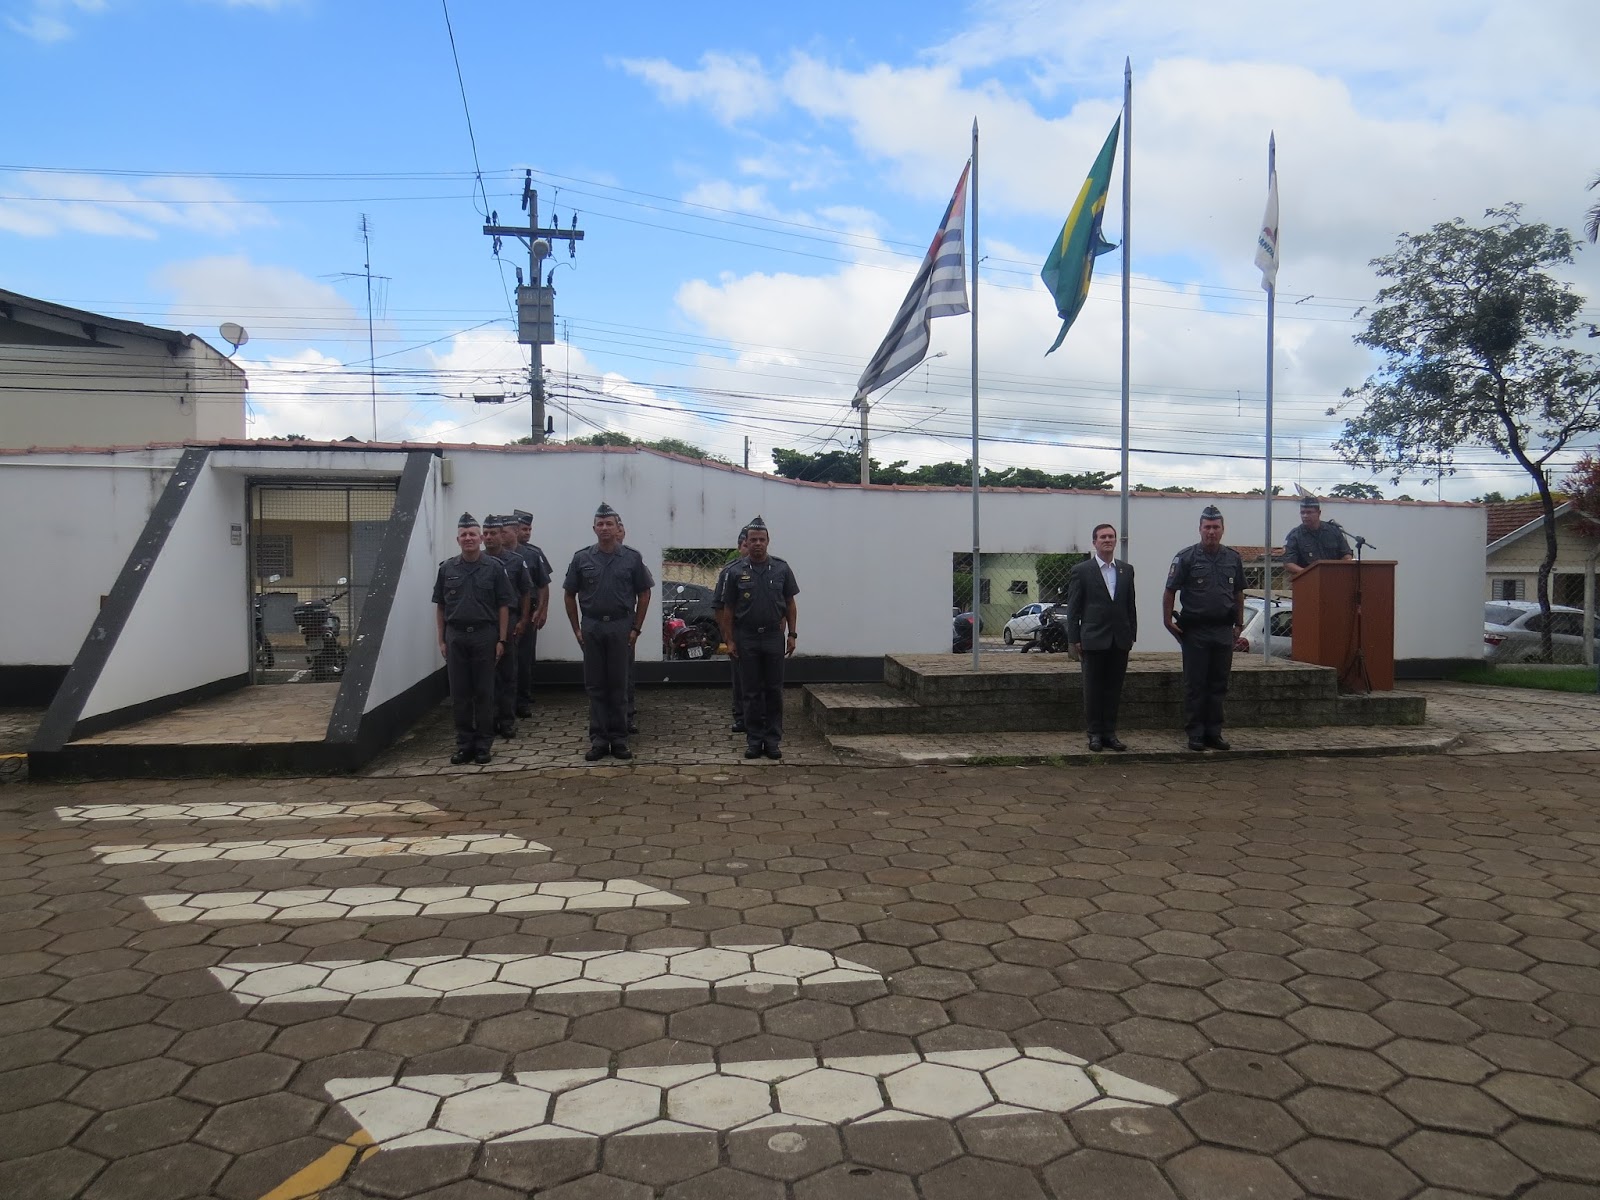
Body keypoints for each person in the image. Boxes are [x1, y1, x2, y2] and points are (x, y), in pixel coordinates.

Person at [563, 503, 653, 761]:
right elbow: (569, 594)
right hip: (592, 626)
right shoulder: (582, 558)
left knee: (618, 685)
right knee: (596, 686)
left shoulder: (631, 558)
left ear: (617, 528)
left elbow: (644, 593)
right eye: (600, 524)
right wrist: (577, 629)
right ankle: (599, 739)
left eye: (609, 524)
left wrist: (636, 628)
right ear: (594, 528)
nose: (604, 528)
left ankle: (619, 738)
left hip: (620, 626)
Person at [432, 513, 515, 765]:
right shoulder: (447, 569)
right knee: (459, 694)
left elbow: (503, 606)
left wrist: (501, 640)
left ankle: (483, 745)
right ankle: (464, 744)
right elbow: (441, 606)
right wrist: (442, 640)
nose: (468, 538)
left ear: (480, 538)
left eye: (472, 534)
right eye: (463, 534)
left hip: (484, 636)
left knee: (484, 693)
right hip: (456, 636)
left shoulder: (494, 568)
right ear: (457, 539)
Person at [1163, 505, 1246, 753]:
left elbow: (1238, 592)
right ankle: (1196, 733)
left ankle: (1214, 733)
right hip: (1195, 631)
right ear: (1199, 529)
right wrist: (1167, 621)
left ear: (1223, 529)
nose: (1211, 532)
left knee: (1219, 684)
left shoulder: (1233, 558)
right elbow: (1170, 590)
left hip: (1223, 629)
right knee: (1196, 684)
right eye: (1207, 527)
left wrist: (1239, 623)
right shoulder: (1186, 557)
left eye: (1215, 527)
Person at [717, 516, 798, 760]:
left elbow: (790, 603)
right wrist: (730, 640)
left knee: (774, 691)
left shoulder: (782, 568)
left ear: (768, 541)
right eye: (753, 540)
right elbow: (728, 609)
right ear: (747, 542)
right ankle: (754, 741)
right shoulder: (735, 572)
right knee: (750, 692)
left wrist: (792, 634)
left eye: (762, 539)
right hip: (747, 637)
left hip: (773, 636)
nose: (758, 544)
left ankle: (772, 741)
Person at [1066, 522, 1137, 752]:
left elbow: (1130, 604)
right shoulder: (1082, 571)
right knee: (1093, 689)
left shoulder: (1126, 570)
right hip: (1093, 639)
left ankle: (1110, 733)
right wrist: (1075, 639)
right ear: (1094, 542)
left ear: (1116, 541)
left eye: (1111, 536)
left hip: (1120, 640)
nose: (1107, 540)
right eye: (1103, 537)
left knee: (1114, 689)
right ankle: (1095, 733)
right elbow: (1074, 609)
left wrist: (1132, 634)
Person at [483, 515, 532, 739]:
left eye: (494, 533)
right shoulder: (478, 560)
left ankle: (506, 720)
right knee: (486, 674)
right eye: (486, 533)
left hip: (510, 620)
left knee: (508, 673)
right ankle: (488, 719)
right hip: (485, 622)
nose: (490, 537)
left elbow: (525, 592)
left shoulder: (515, 561)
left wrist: (523, 620)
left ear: (502, 535)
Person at [511, 508, 552, 718]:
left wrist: (543, 610)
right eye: (523, 529)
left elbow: (544, 584)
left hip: (528, 612)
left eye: (529, 529)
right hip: (505, 612)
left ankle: (523, 699)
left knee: (525, 658)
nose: (527, 533)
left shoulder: (534, 554)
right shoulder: (497, 553)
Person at [713, 526, 750, 732]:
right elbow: (719, 607)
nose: (750, 548)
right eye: (745, 545)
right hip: (739, 632)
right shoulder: (730, 571)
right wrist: (727, 637)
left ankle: (761, 716)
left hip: (763, 634)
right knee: (741, 677)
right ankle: (741, 716)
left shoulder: (771, 568)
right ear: (739, 547)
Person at [1283, 495, 1353, 579]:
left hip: (1334, 578)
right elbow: (1289, 563)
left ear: (1319, 513)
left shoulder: (1333, 531)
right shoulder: (1295, 535)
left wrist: (1339, 570)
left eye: (1309, 512)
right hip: (1308, 580)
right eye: (1302, 512)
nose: (1305, 516)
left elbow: (1346, 554)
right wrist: (1310, 573)